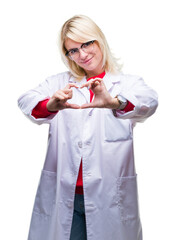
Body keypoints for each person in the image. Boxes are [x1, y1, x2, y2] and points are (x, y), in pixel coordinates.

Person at [18, 15, 158, 240]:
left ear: (99, 41)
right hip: (65, 198)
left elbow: (149, 102)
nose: (82, 55)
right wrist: (51, 104)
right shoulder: (60, 83)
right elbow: (26, 101)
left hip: (110, 200)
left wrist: (115, 102)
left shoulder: (127, 84)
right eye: (72, 50)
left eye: (86, 44)